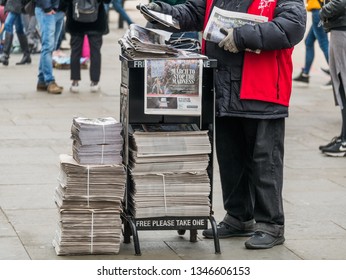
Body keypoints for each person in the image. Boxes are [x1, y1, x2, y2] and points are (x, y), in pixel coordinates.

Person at [143, 0, 306, 249]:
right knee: (231, 158)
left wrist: (242, 36)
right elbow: (194, 12)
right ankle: (239, 216)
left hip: (261, 86)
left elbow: (292, 26)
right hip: (223, 87)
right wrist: (164, 12)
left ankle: (271, 224)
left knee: (265, 160)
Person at [319, 0, 346, 156]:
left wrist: (324, 11)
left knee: (342, 82)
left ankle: (344, 141)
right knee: (340, 83)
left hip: (342, 30)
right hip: (339, 29)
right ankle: (343, 136)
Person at [65, 0, 111, 93]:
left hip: (75, 20)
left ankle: (75, 82)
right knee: (95, 52)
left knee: (75, 51)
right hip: (96, 21)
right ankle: (94, 82)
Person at [293, 0, 331, 88]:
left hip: (319, 11)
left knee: (323, 42)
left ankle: (335, 75)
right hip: (318, 11)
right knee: (308, 42)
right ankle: (305, 75)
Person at [34, 0, 65, 94]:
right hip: (47, 10)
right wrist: (47, 7)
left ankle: (42, 80)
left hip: (59, 10)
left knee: (50, 47)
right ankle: (50, 81)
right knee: (48, 46)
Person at [0, 0, 31, 66]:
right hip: (16, 3)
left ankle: (5, 54)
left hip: (16, 3)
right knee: (19, 28)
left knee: (8, 24)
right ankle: (27, 55)